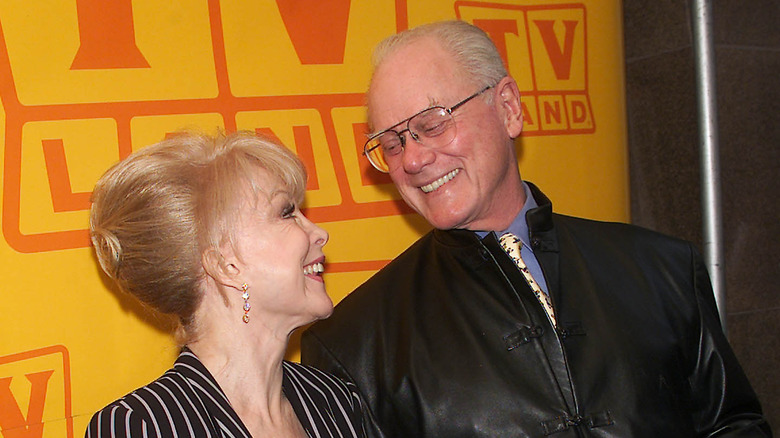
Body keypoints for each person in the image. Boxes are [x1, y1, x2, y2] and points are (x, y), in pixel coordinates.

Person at [301, 20, 771, 437]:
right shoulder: (354, 343)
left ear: (508, 107)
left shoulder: (664, 269)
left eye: (433, 123)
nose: (415, 159)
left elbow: (732, 425)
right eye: (392, 142)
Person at [86, 131, 365, 437]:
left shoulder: (334, 400)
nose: (319, 233)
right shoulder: (142, 426)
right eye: (286, 213)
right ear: (225, 265)